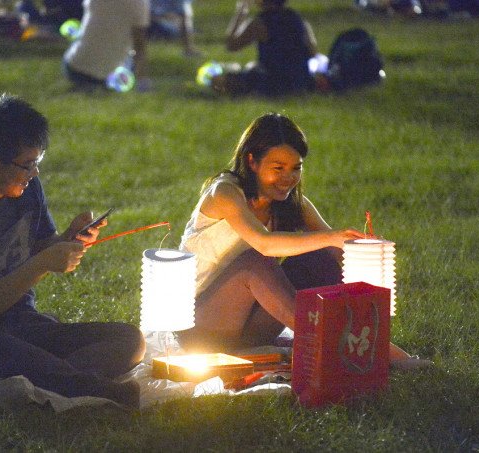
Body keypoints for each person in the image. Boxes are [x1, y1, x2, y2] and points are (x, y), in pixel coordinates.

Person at [0, 94, 145, 409]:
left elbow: (41, 245)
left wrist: (68, 239)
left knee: (130, 339)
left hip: (25, 325)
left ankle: (50, 374)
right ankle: (83, 383)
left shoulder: (26, 190)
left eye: (37, 164)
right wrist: (43, 264)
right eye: (28, 165)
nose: (35, 174)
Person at [178, 113, 431, 369]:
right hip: (200, 330)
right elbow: (264, 243)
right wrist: (331, 237)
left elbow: (337, 252)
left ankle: (366, 344)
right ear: (252, 161)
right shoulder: (225, 193)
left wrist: (368, 254)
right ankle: (365, 353)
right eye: (278, 168)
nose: (288, 178)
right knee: (255, 264)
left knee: (321, 259)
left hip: (252, 334)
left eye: (296, 168)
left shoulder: (293, 205)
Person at [211, 0, 320, 96]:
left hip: (273, 83)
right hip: (302, 81)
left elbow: (231, 46)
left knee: (217, 80)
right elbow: (312, 53)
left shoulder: (261, 22)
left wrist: (240, 12)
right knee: (253, 66)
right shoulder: (297, 18)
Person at [62, 0, 152, 92]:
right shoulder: (140, 3)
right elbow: (139, 45)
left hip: (74, 66)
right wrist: (142, 80)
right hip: (111, 75)